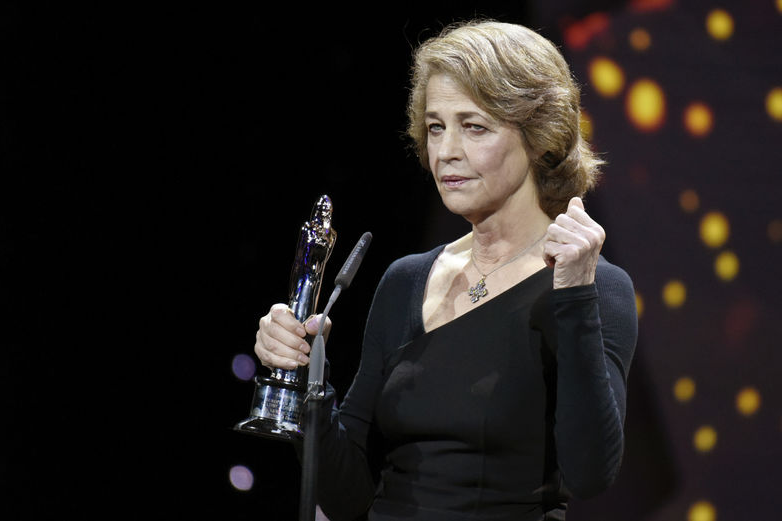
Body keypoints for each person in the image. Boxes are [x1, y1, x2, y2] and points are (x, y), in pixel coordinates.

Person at [254, 19, 638, 521]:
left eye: (474, 126)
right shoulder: (405, 280)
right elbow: (346, 498)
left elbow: (591, 474)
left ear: (541, 136)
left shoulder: (593, 285)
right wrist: (307, 379)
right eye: (436, 127)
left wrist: (575, 294)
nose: (446, 151)